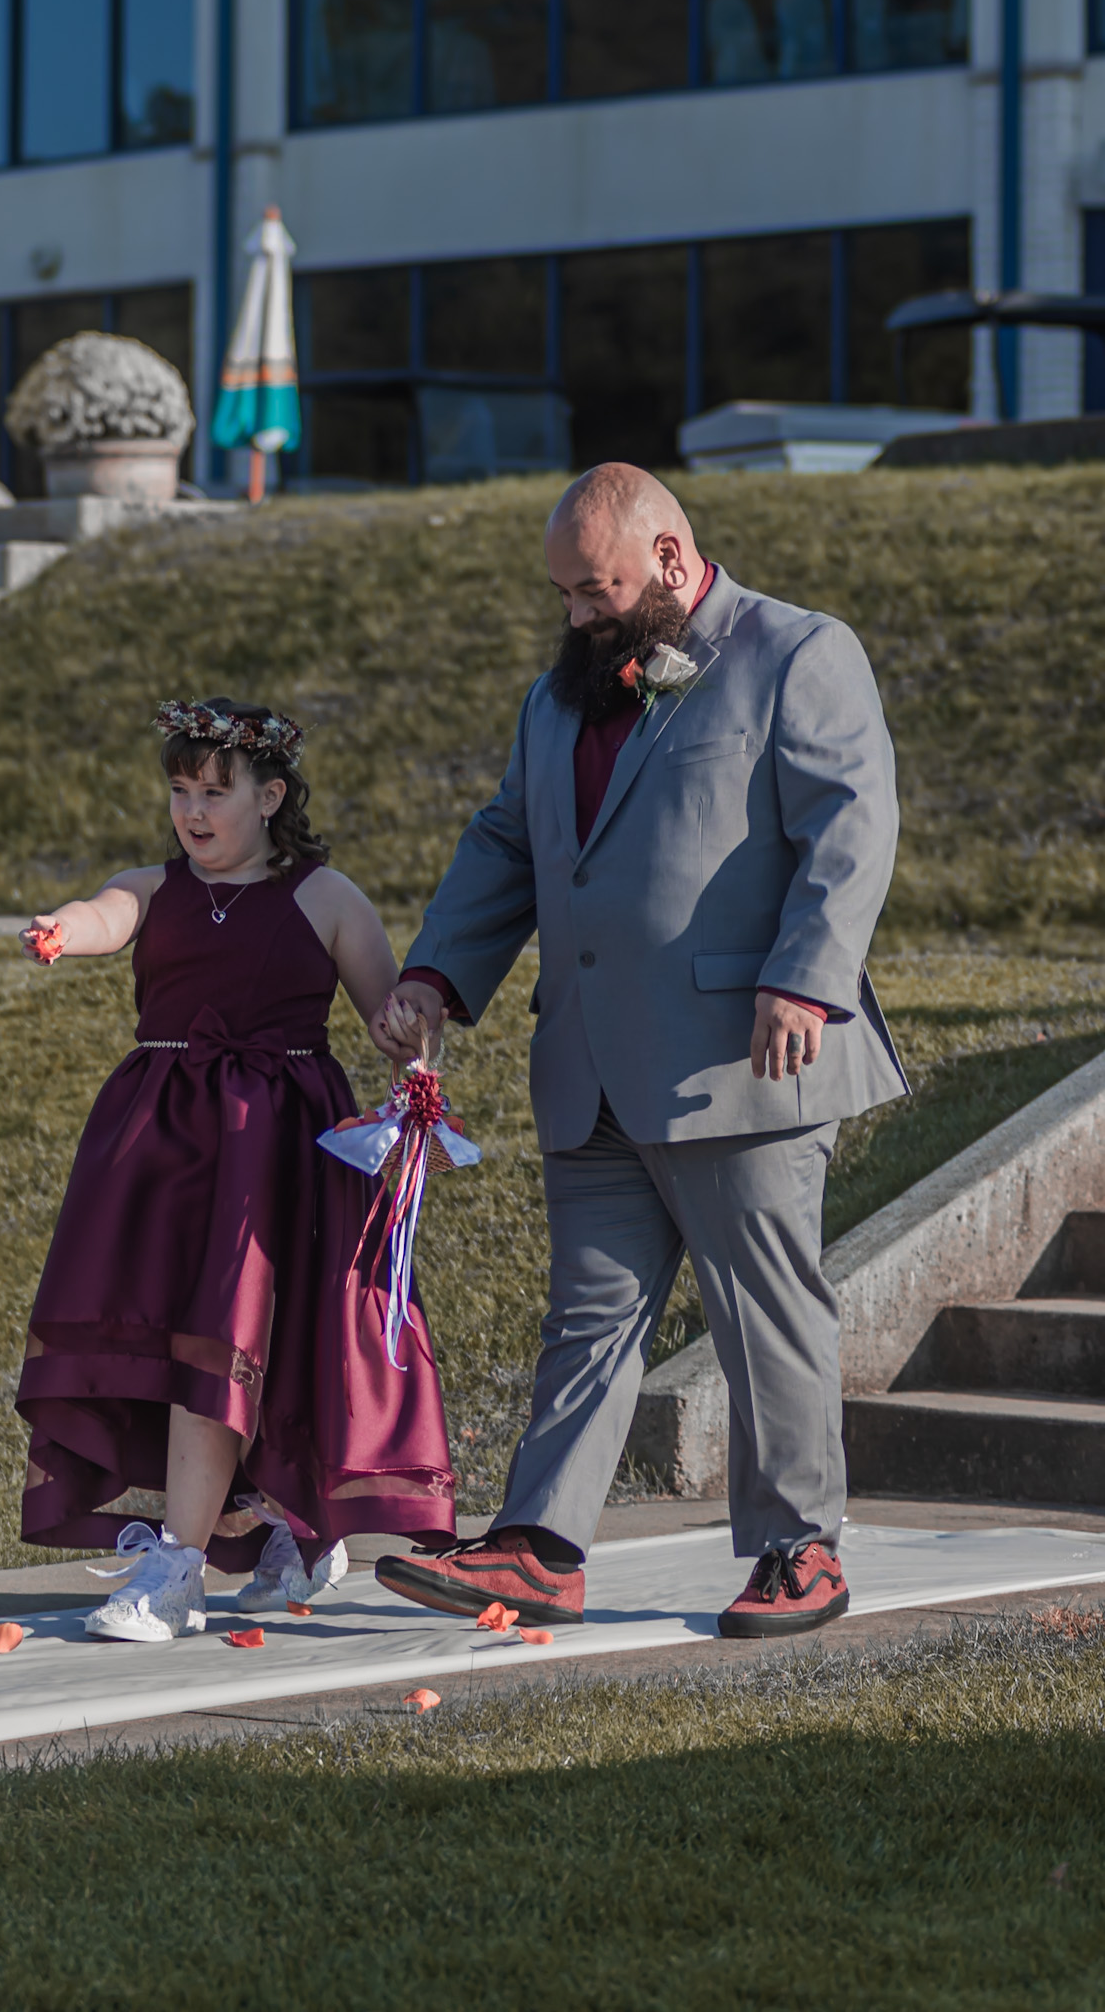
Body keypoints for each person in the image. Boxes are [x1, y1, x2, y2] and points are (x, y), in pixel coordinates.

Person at [368, 464, 907, 1638]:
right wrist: (435, 973)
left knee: (764, 1310)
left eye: (594, 590)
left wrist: (804, 978)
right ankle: (541, 1547)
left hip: (740, 1058)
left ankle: (800, 1547)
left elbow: (851, 824)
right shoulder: (553, 701)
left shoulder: (798, 652)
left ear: (670, 558)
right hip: (591, 1065)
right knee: (589, 1317)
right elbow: (507, 840)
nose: (576, 615)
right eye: (562, 594)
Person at [16, 698, 455, 1642]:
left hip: (278, 1153)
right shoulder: (153, 886)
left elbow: (391, 1016)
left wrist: (411, 1040)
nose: (192, 810)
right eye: (180, 790)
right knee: (185, 1344)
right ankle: (272, 1530)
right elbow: (106, 915)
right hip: (161, 1153)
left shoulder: (326, 898)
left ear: (271, 796)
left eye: (215, 791)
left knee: (245, 1343)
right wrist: (63, 926)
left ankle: (182, 1570)